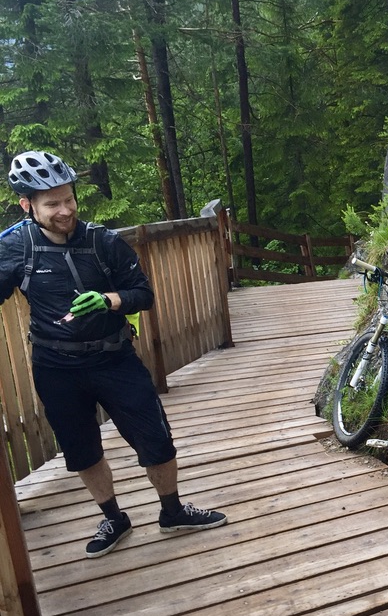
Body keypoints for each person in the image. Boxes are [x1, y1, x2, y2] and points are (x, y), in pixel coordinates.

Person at [0, 150, 227, 558]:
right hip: (55, 365)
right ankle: (113, 517)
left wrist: (109, 300)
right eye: (52, 204)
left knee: (155, 436)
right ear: (27, 205)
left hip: (114, 357)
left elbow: (144, 294)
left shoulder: (102, 241)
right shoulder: (15, 247)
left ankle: (172, 511)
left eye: (69, 199)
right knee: (81, 447)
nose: (65, 210)